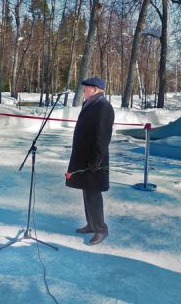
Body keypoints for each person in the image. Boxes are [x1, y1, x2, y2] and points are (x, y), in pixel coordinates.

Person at [66, 77, 114, 246]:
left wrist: (95, 162)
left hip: (94, 160)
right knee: (87, 191)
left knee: (93, 194)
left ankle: (101, 229)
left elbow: (103, 138)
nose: (84, 91)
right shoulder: (91, 103)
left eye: (86, 88)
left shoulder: (104, 107)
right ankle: (91, 224)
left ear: (95, 89)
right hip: (84, 157)